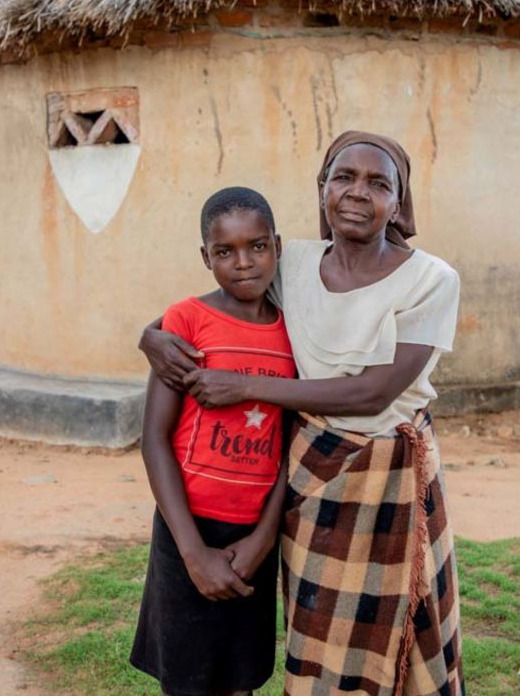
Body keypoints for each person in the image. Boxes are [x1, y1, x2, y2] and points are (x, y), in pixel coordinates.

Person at [141, 132, 464, 695]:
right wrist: (149, 337)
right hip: (310, 478)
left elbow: (372, 394)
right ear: (322, 190)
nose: (358, 192)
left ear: (399, 201)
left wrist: (246, 389)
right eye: (343, 177)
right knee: (318, 629)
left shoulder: (432, 279)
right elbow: (213, 306)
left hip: (391, 479)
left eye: (378, 182)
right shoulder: (295, 264)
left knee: (404, 627)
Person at [129, 187, 295, 696]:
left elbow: (291, 443)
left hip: (253, 535)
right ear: (206, 257)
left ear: (278, 246)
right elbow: (154, 438)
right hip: (186, 528)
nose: (243, 263)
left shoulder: (297, 332)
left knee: (239, 679)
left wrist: (264, 538)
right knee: (188, 681)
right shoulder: (186, 321)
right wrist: (192, 553)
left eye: (258, 247)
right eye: (225, 252)